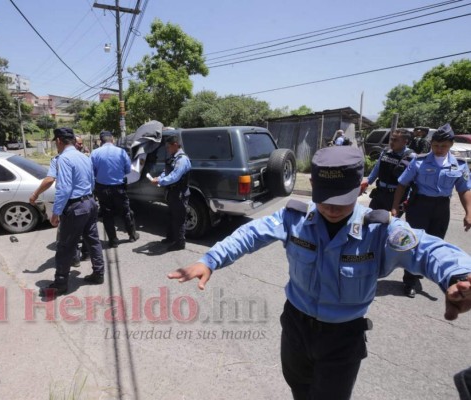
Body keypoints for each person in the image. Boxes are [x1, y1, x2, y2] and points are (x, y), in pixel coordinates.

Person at [168, 145, 471, 400]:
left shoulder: (379, 228)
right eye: (325, 198)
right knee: (299, 389)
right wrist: (210, 260)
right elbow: (250, 234)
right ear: (313, 185)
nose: (332, 208)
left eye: (342, 199)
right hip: (296, 329)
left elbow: (428, 249)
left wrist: (459, 276)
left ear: (360, 187)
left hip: (343, 337)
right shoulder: (295, 218)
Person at [391, 123, 471, 298]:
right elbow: (402, 184)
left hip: (442, 208)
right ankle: (409, 281)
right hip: (420, 206)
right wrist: (395, 207)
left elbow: (464, 189)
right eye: (436, 145)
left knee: (435, 244)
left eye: (443, 146)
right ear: (431, 144)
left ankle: (420, 273)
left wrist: (468, 212)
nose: (439, 149)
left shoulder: (458, 165)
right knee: (413, 243)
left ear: (451, 145)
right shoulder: (419, 161)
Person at [42, 127, 105, 296]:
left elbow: (64, 189)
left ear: (59, 141)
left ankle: (60, 283)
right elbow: (91, 181)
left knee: (65, 246)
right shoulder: (84, 156)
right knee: (93, 241)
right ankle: (99, 273)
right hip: (90, 202)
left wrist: (56, 212)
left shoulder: (64, 159)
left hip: (76, 207)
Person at [90, 130, 139, 248]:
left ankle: (113, 240)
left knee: (107, 214)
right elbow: (128, 170)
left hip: (102, 188)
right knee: (126, 211)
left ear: (101, 142)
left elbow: (92, 172)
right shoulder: (121, 152)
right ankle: (132, 235)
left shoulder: (94, 153)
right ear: (112, 139)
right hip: (119, 188)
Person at [151, 135, 191, 252]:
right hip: (172, 192)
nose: (167, 149)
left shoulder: (182, 160)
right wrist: (160, 177)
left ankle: (179, 243)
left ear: (175, 145)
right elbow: (167, 172)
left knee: (178, 218)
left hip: (179, 193)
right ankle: (171, 237)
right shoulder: (174, 158)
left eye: (169, 147)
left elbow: (175, 176)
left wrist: (160, 181)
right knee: (171, 216)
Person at [362, 128, 416, 212]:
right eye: (391, 139)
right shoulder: (386, 151)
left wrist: (407, 200)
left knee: (390, 223)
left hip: (396, 197)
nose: (392, 142)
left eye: (395, 140)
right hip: (380, 193)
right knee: (370, 218)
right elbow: (377, 168)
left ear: (405, 142)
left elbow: (412, 180)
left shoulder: (411, 157)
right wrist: (367, 182)